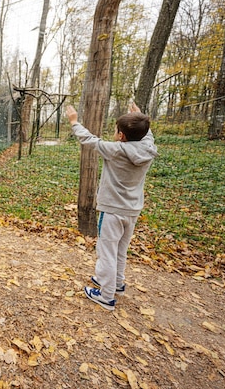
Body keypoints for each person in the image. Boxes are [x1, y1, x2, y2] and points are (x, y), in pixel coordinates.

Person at [65, 102, 158, 311]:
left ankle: (106, 296)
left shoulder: (116, 150)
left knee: (106, 251)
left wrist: (74, 122)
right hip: (132, 211)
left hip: (112, 211)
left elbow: (89, 140)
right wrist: (139, 118)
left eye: (117, 130)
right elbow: (148, 136)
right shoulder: (148, 148)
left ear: (121, 136)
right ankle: (116, 283)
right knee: (120, 250)